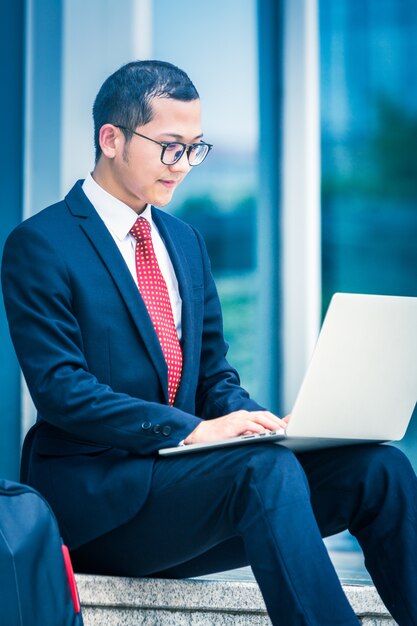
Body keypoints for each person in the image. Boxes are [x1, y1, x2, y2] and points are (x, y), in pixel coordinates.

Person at [2, 60, 417, 626]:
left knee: (381, 469)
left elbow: (213, 374)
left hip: (186, 498)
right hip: (100, 509)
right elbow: (61, 390)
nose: (184, 166)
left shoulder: (184, 242)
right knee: (262, 472)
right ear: (112, 139)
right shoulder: (41, 244)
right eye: (171, 146)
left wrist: (263, 423)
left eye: (195, 148)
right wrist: (195, 430)